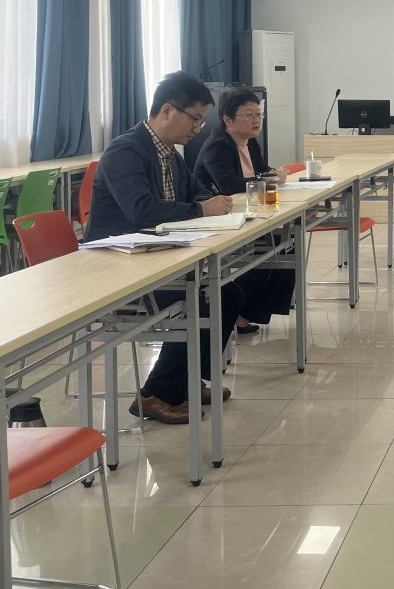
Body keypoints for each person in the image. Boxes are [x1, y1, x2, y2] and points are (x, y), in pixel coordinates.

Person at [85, 71, 241, 425]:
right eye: (195, 119)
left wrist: (210, 201)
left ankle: (185, 381)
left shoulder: (171, 153)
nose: (198, 129)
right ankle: (155, 394)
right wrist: (202, 209)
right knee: (201, 298)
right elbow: (141, 210)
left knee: (228, 292)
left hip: (156, 258)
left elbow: (195, 190)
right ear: (168, 110)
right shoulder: (126, 152)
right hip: (118, 269)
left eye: (202, 121)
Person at [193, 88, 296, 335]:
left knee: (286, 246)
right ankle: (241, 312)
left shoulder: (250, 143)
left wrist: (273, 174)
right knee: (272, 252)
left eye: (258, 114)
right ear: (228, 120)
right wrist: (268, 178)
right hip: (220, 218)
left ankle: (246, 313)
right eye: (249, 115)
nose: (256, 120)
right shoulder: (217, 146)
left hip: (246, 212)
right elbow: (230, 186)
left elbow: (261, 171)